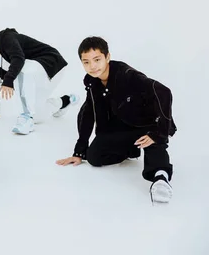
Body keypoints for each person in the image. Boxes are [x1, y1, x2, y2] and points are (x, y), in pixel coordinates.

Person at [56, 36, 176, 203]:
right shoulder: (91, 82)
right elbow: (88, 112)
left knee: (153, 143)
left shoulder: (127, 75)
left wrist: (159, 132)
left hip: (148, 124)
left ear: (107, 57)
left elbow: (163, 92)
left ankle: (160, 178)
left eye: (97, 59)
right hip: (123, 125)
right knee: (94, 157)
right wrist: (80, 151)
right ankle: (131, 150)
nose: (92, 66)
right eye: (86, 62)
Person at [0, 27, 78, 134]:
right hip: (34, 75)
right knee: (38, 116)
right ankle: (65, 101)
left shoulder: (6, 38)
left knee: (22, 71)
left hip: (51, 63)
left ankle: (26, 117)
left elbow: (18, 58)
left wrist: (8, 80)